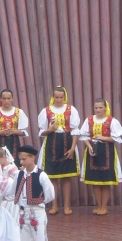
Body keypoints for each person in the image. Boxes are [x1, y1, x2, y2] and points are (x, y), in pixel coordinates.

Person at [15, 145, 55, 241]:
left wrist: (39, 201)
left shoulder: (41, 175)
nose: (22, 161)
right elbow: (13, 191)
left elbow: (50, 194)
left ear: (32, 158)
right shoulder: (20, 174)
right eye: (21, 159)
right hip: (23, 213)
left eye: (24, 159)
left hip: (36, 212)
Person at [37, 86, 80, 215]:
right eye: (57, 97)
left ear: (64, 97)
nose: (59, 100)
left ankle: (67, 206)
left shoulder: (71, 109)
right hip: (52, 144)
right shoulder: (46, 111)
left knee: (66, 177)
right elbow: (42, 131)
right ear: (53, 97)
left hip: (67, 143)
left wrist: (73, 148)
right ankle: (54, 205)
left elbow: (75, 130)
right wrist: (50, 130)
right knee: (53, 177)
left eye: (61, 97)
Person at [79, 98, 122, 215]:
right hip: (93, 151)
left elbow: (116, 138)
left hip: (107, 152)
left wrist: (103, 138)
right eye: (96, 107)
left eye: (100, 107)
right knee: (95, 180)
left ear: (105, 108)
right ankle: (98, 206)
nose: (98, 110)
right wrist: (89, 146)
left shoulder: (111, 121)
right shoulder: (89, 120)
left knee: (105, 180)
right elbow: (84, 136)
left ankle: (104, 207)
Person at [0, 89, 29, 164]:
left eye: (8, 98)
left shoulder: (19, 112)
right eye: (4, 98)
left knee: (14, 163)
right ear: (0, 99)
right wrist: (2, 132)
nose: (6, 101)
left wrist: (13, 131)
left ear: (12, 99)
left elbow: (23, 132)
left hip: (13, 142)